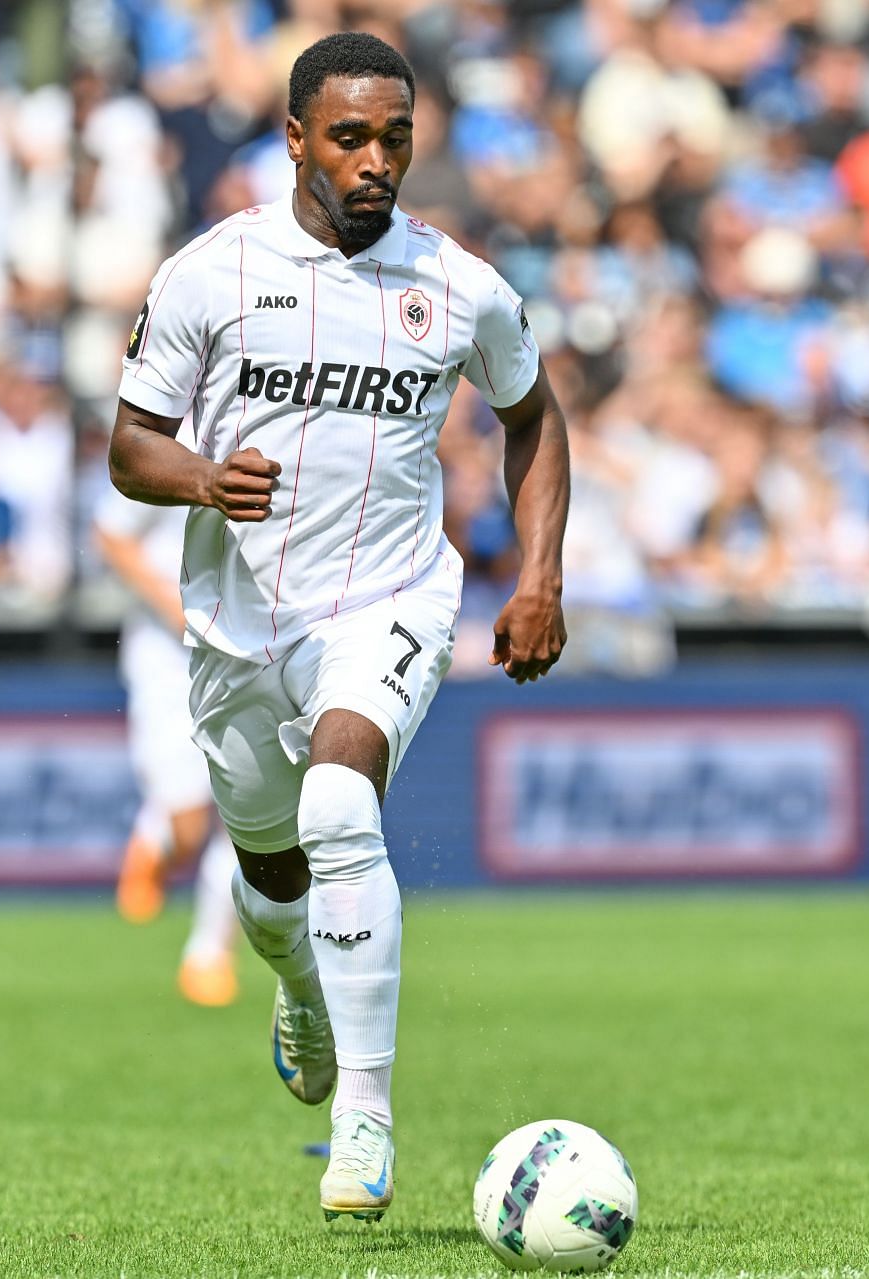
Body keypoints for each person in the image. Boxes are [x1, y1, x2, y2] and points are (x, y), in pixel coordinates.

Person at [106, 33, 570, 1225]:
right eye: (351, 137)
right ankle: (301, 990)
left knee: (337, 805)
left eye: (396, 138)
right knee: (268, 878)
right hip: (241, 620)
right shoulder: (212, 272)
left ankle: (361, 1114)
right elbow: (129, 447)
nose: (376, 160)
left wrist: (539, 576)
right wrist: (205, 480)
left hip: (391, 598)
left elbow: (535, 417)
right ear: (298, 137)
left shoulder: (460, 285)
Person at [93, 480, 241, 1009]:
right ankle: (157, 837)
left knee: (246, 812)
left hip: (245, 650)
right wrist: (174, 605)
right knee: (188, 822)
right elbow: (110, 534)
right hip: (168, 657)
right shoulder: (169, 441)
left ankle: (208, 954)